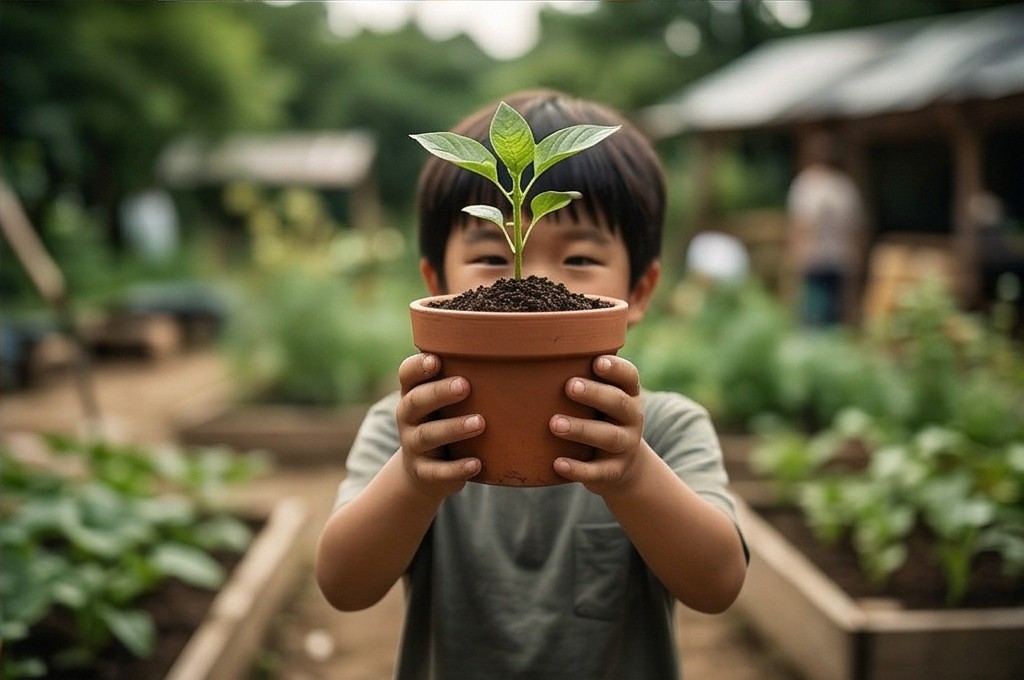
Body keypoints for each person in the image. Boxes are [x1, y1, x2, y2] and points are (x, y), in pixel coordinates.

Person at [315, 89, 748, 680]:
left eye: (580, 262)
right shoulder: (412, 430)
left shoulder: (665, 429)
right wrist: (413, 481)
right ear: (439, 285)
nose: (538, 286)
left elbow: (718, 584)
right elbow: (343, 584)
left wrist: (635, 474)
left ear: (638, 294)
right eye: (493, 258)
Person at [786, 131, 865, 326]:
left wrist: (795, 257)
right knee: (836, 316)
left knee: (813, 318)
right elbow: (854, 228)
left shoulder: (806, 184)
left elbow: (802, 225)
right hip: (840, 258)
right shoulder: (844, 186)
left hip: (813, 260)